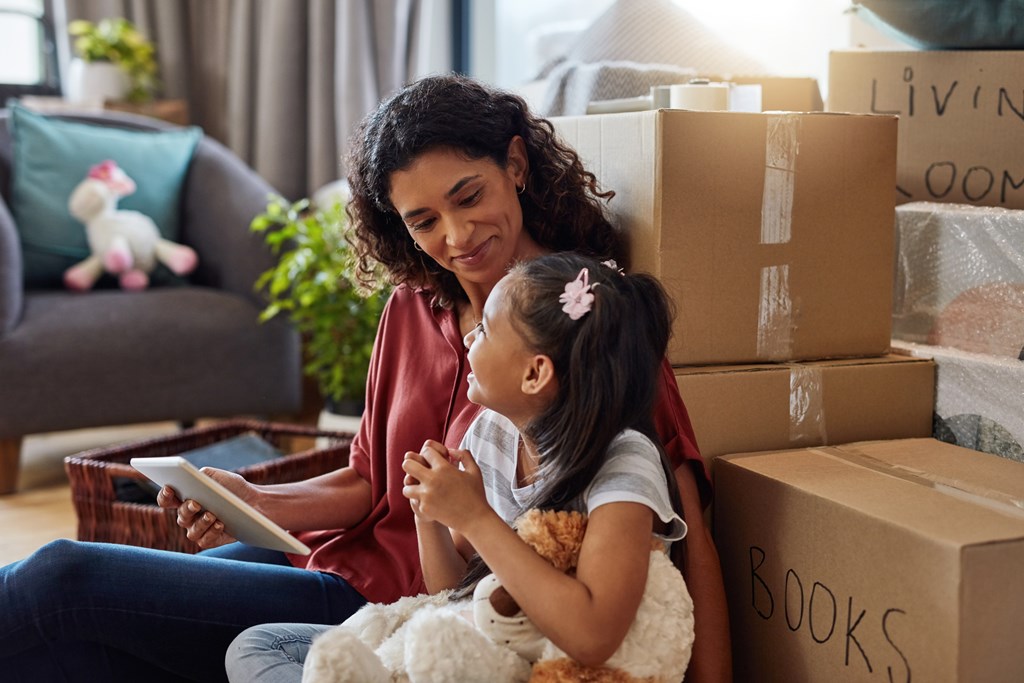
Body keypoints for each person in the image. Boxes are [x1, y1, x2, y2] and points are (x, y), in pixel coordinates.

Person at [0, 73, 728, 683]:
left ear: (516, 162)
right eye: (423, 220)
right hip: (342, 558)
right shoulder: (412, 306)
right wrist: (257, 500)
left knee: (63, 580)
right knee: (89, 639)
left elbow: (686, 519)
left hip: (406, 609)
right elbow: (367, 480)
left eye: (469, 196)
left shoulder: (589, 322)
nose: (455, 237)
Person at [226, 252, 695, 682]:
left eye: (487, 330)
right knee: (258, 647)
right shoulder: (493, 431)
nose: (470, 338)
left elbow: (595, 636)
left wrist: (475, 515)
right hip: (469, 647)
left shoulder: (624, 464)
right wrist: (429, 516)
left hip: (547, 668)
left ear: (535, 374)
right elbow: (452, 589)